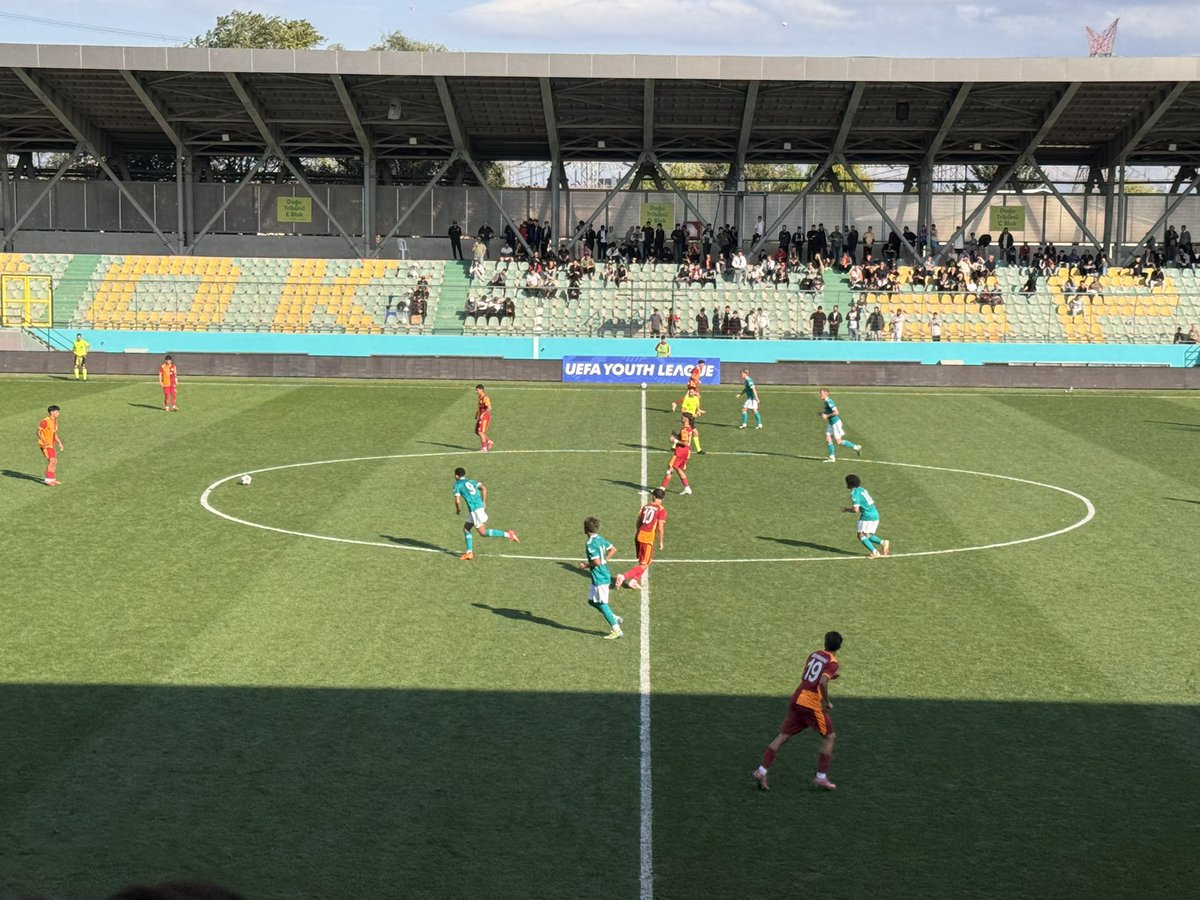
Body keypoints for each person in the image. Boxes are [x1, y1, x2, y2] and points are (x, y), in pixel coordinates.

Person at [753, 631, 844, 792]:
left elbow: (805, 675)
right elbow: (822, 681)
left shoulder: (814, 655)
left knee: (783, 736)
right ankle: (821, 778)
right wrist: (827, 702)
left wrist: (828, 677)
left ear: (824, 643)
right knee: (830, 737)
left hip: (797, 698)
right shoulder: (833, 662)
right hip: (809, 704)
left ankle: (761, 771)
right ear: (839, 646)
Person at [453, 466, 519, 561]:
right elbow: (483, 488)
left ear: (456, 476)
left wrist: (458, 509)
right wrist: (484, 502)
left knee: (483, 532)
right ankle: (469, 553)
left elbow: (458, 501)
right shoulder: (472, 482)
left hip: (475, 510)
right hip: (476, 508)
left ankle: (509, 534)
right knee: (466, 529)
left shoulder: (457, 484)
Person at [579, 517, 623, 640]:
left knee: (602, 604)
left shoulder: (590, 544)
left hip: (600, 577)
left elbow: (597, 562)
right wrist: (606, 560)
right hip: (600, 576)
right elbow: (613, 549)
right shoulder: (600, 539)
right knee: (591, 601)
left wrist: (585, 566)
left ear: (585, 529)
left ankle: (616, 629)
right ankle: (614, 617)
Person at [615, 487, 667, 591]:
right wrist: (661, 541)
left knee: (645, 561)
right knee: (645, 563)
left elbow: (638, 521)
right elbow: (660, 528)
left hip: (639, 534)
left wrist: (639, 531)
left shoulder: (646, 506)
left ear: (653, 496)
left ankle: (634, 581)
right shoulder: (661, 510)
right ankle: (624, 576)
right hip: (647, 538)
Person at [843, 474, 889, 559]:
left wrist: (847, 510)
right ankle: (883, 542)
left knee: (860, 535)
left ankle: (875, 552)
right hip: (875, 514)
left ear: (849, 484)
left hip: (867, 516)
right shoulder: (862, 489)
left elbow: (856, 510)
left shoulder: (854, 493)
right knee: (867, 535)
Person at [820, 389, 862, 462]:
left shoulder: (829, 402)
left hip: (836, 423)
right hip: (831, 423)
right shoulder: (826, 402)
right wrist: (823, 414)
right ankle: (832, 458)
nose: (820, 395)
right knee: (828, 438)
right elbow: (828, 411)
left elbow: (836, 412)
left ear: (826, 394)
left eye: (821, 393)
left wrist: (827, 416)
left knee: (839, 441)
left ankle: (856, 447)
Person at [661, 415, 696, 495]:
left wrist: (675, 440)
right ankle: (687, 488)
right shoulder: (689, 428)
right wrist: (677, 435)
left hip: (680, 452)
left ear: (686, 418)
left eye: (683, 417)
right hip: (686, 452)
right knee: (679, 469)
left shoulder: (684, 429)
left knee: (670, 469)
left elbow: (685, 443)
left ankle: (662, 489)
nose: (681, 418)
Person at [37, 404, 64, 486]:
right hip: (45, 445)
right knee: (52, 461)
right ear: (52, 412)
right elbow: (38, 432)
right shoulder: (45, 421)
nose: (58, 413)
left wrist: (60, 443)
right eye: (57, 412)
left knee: (54, 461)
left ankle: (52, 479)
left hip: (52, 444)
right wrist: (44, 440)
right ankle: (48, 480)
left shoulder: (55, 421)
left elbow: (54, 433)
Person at [677, 385, 705, 453]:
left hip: (692, 418)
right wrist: (691, 414)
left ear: (694, 392)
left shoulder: (696, 398)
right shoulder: (687, 399)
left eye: (692, 392)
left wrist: (699, 411)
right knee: (686, 434)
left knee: (695, 433)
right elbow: (682, 410)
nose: (690, 393)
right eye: (689, 392)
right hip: (686, 417)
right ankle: (676, 446)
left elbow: (697, 407)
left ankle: (699, 450)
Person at [474, 384, 494, 452]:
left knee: (480, 432)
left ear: (481, 390)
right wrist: (477, 414)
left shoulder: (485, 398)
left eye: (477, 390)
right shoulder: (479, 397)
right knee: (476, 431)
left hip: (485, 417)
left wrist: (483, 414)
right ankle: (489, 442)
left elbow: (489, 407)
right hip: (480, 416)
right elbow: (480, 407)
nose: (476, 392)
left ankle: (484, 448)